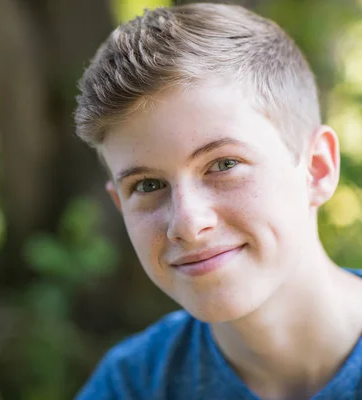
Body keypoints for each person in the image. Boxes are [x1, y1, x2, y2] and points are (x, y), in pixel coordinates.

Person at [73, 3, 362, 399]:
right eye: (146, 185)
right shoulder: (131, 385)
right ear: (120, 206)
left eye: (224, 164)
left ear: (317, 168)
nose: (188, 224)